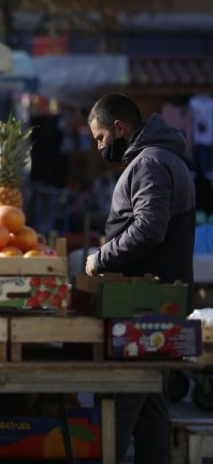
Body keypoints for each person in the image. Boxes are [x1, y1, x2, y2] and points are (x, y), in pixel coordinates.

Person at [85, 92, 195, 464]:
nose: (100, 147)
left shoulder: (150, 163)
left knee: (117, 402)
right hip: (156, 307)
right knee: (150, 410)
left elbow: (149, 228)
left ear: (119, 128)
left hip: (144, 309)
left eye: (101, 138)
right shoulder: (161, 158)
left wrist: (101, 257)